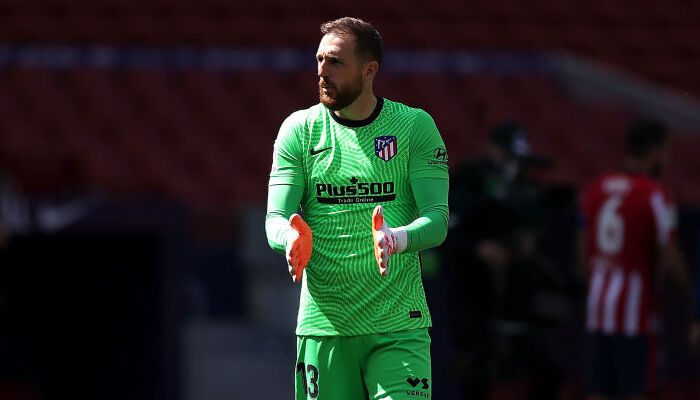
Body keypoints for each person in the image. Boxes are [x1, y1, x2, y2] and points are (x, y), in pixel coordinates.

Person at [265, 17, 449, 400]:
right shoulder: (299, 130)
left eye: (335, 62)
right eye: (319, 60)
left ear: (369, 70)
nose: (322, 71)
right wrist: (290, 238)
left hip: (398, 325)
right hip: (324, 326)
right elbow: (275, 219)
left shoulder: (413, 127)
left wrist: (396, 239)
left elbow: (437, 220)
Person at [446, 121, 564, 400]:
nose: (513, 165)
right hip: (472, 294)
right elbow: (447, 230)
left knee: (547, 371)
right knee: (475, 374)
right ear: (492, 149)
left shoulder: (525, 186)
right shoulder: (470, 178)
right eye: (508, 156)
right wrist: (479, 248)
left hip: (515, 296)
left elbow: (534, 225)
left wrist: (527, 242)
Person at [579, 118, 691, 400]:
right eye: (666, 151)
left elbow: (581, 247)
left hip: (598, 310)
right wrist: (691, 293)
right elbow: (670, 256)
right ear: (653, 151)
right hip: (635, 317)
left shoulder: (596, 188)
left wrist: (593, 284)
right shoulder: (655, 194)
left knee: (598, 392)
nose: (667, 160)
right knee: (635, 392)